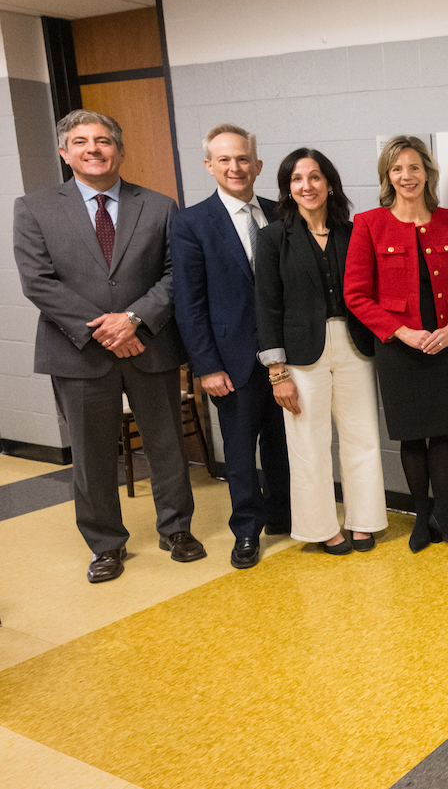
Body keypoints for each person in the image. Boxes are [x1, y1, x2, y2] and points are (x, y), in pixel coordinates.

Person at [13, 110, 203, 582]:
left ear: (120, 150)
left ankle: (177, 529)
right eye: (81, 142)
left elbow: (175, 273)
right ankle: (105, 544)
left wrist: (134, 320)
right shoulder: (34, 207)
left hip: (149, 343)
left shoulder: (159, 206)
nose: (93, 149)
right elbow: (37, 281)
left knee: (166, 446)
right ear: (64, 152)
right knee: (92, 454)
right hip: (77, 352)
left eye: (103, 140)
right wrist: (105, 329)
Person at [344, 136, 448, 552]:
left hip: (446, 343)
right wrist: (402, 331)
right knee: (411, 436)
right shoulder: (369, 224)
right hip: (398, 346)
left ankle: (446, 514)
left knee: (443, 434)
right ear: (388, 176)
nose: (407, 176)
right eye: (398, 169)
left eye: (414, 168)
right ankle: (421, 516)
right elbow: (356, 295)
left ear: (427, 173)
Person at [171, 124, 291, 569]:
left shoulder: (283, 213)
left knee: (283, 443)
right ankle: (246, 531)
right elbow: (189, 303)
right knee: (240, 453)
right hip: (230, 362)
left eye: (242, 158)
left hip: (286, 359)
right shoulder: (191, 223)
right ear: (209, 166)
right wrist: (206, 367)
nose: (235, 167)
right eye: (224, 160)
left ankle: (283, 514)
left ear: (257, 165)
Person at [254, 149, 386, 554]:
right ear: (288, 189)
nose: (307, 186)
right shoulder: (273, 236)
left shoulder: (353, 231)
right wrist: (277, 371)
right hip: (299, 354)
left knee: (362, 436)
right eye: (297, 179)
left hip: (354, 345)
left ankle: (364, 521)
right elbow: (267, 303)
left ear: (330, 184)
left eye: (315, 177)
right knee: (307, 443)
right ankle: (320, 528)